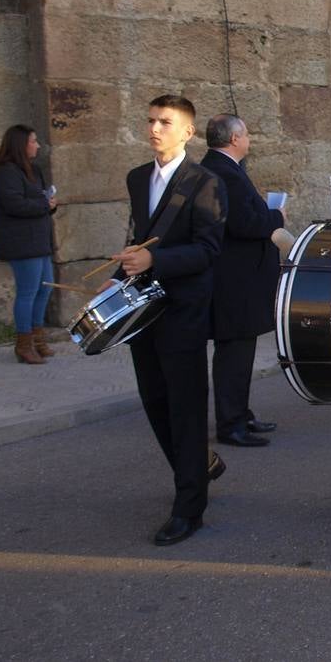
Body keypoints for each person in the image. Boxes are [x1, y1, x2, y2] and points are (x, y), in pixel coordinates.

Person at [113, 95, 226, 546]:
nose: (155, 128)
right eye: (151, 120)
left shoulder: (206, 182)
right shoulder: (137, 178)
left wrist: (153, 259)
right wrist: (121, 271)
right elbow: (138, 237)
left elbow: (207, 250)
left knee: (185, 406)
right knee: (155, 402)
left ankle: (189, 507)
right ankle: (199, 464)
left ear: (187, 132)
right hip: (144, 308)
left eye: (165, 122)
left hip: (184, 310)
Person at [201, 114, 284, 448]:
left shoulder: (224, 169)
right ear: (234, 139)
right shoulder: (224, 173)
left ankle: (240, 413)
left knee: (240, 353)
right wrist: (276, 216)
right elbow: (245, 224)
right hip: (235, 281)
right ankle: (230, 423)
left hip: (237, 279)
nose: (249, 139)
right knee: (234, 354)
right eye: (246, 134)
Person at [0, 125, 57, 364]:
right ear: (21, 144)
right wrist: (44, 205)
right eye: (33, 141)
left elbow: (39, 199)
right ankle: (24, 344)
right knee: (27, 292)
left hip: (39, 239)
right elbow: (14, 205)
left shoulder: (34, 169)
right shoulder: (5, 172)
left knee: (45, 288)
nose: (37, 145)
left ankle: (38, 339)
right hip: (21, 242)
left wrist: (50, 202)